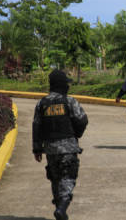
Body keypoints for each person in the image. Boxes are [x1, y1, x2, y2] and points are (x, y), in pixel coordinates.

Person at [32, 70, 88, 220]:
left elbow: (36, 126)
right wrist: (76, 134)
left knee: (55, 178)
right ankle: (62, 207)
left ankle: (59, 209)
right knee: (68, 177)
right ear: (62, 85)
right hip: (68, 148)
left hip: (50, 149)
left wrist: (37, 149)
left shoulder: (42, 103)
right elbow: (82, 120)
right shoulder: (70, 101)